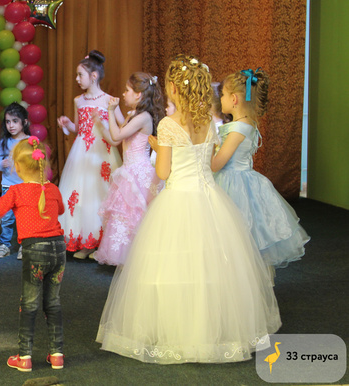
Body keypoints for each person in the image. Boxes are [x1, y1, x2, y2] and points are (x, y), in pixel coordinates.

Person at [96, 55, 281, 363]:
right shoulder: (208, 121)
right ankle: (211, 327)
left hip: (178, 198)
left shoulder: (168, 124)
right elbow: (211, 163)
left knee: (170, 265)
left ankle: (176, 327)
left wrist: (160, 149)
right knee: (211, 264)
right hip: (209, 198)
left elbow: (164, 172)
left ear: (173, 88)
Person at [0, 137, 66, 372]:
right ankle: (57, 355)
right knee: (53, 302)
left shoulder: (16, 191)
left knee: (29, 304)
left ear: (17, 167)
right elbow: (60, 209)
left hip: (34, 250)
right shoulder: (53, 189)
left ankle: (25, 357)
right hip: (58, 249)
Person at [212, 68, 309, 272]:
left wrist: (203, 148)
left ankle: (236, 275)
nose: (220, 99)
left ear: (234, 99)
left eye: (223, 95)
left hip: (231, 184)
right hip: (243, 180)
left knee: (234, 233)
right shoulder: (247, 124)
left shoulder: (238, 129)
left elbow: (216, 164)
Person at [93, 72, 164, 266]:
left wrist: (110, 111)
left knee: (136, 214)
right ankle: (127, 257)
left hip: (139, 172)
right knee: (124, 215)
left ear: (138, 95)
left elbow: (117, 135)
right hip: (129, 171)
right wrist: (101, 123)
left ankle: (140, 257)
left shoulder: (144, 117)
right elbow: (115, 138)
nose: (124, 94)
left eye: (127, 90)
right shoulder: (134, 116)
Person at [56, 51, 122, 258]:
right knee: (81, 195)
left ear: (94, 76)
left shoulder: (109, 100)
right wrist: (68, 124)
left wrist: (105, 122)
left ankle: (102, 243)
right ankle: (85, 242)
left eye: (80, 75)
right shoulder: (78, 100)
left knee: (101, 194)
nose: (77, 79)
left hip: (102, 154)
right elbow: (79, 128)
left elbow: (122, 126)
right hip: (82, 152)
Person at [0, 102, 30, 259]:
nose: (11, 125)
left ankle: (24, 246)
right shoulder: (4, 142)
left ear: (24, 122)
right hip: (8, 186)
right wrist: (2, 163)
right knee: (6, 218)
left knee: (24, 218)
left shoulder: (31, 141)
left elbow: (38, 163)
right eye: (8, 122)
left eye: (15, 121)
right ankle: (5, 245)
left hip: (26, 187)